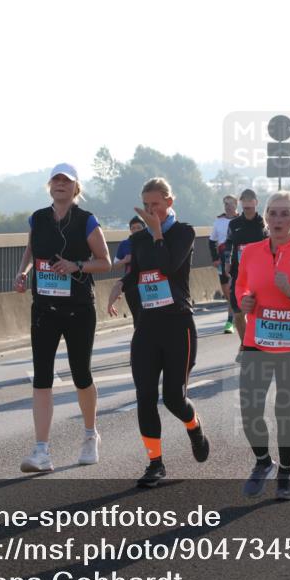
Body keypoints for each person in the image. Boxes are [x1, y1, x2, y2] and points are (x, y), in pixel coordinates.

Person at [109, 177, 210, 487]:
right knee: (145, 396)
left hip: (178, 324)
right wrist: (120, 284)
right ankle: (155, 463)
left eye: (156, 204)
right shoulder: (139, 239)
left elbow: (167, 266)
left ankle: (193, 426)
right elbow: (140, 271)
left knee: (174, 399)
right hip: (148, 326)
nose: (150, 211)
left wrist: (156, 233)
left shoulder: (184, 233)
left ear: (169, 202)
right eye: (146, 205)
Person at [13, 163, 112, 472]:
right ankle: (41, 450)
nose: (60, 185)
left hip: (78, 308)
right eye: (55, 180)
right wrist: (23, 272)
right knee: (41, 376)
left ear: (75, 187)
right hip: (44, 307)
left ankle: (90, 434)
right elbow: (31, 250)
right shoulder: (38, 218)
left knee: (81, 374)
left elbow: (105, 262)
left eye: (66, 181)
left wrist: (75, 266)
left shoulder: (86, 220)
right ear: (49, 185)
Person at [236, 190, 290, 500]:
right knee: (250, 410)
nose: (278, 219)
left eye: (285, 213)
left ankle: (286, 472)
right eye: (273, 213)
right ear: (266, 218)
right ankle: (263, 462)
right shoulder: (251, 252)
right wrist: (244, 301)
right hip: (257, 341)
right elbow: (241, 285)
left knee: (285, 412)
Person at [225, 189, 267, 362]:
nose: (247, 204)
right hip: (239, 273)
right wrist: (226, 261)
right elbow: (228, 244)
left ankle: (261, 345)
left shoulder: (264, 223)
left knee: (260, 313)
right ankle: (245, 345)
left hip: (261, 274)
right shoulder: (234, 224)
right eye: (244, 201)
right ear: (241, 203)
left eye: (251, 201)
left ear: (256, 202)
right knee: (238, 312)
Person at [108, 216, 146, 327]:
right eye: (133, 228)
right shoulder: (124, 244)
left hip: (147, 283)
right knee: (137, 318)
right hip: (131, 286)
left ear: (144, 228)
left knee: (149, 317)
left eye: (138, 227)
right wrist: (125, 260)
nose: (135, 230)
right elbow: (114, 266)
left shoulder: (149, 241)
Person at [209, 195, 239, 333]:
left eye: (230, 204)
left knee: (233, 290)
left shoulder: (241, 220)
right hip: (222, 258)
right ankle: (236, 315)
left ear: (236, 204)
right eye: (226, 204)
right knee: (227, 291)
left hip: (237, 258)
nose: (228, 207)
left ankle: (230, 321)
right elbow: (211, 241)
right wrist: (215, 258)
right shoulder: (219, 221)